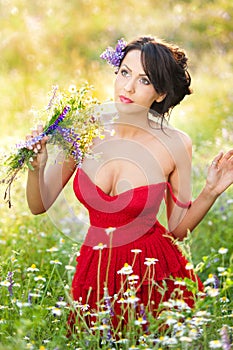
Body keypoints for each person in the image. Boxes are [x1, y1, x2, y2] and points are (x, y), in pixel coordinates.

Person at [26, 36, 233, 331]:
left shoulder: (176, 143)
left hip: (153, 273)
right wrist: (37, 168)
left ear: (160, 94)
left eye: (144, 80)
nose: (128, 87)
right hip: (94, 270)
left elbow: (176, 230)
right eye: (124, 72)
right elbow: (38, 205)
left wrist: (211, 190)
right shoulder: (84, 128)